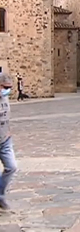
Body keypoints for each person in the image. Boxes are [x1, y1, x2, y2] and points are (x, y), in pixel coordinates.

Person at [0, 73, 17, 210]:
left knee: (11, 167)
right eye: (5, 87)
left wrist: (9, 130)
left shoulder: (5, 97)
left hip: (5, 139)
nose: (7, 90)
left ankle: (0, 196)